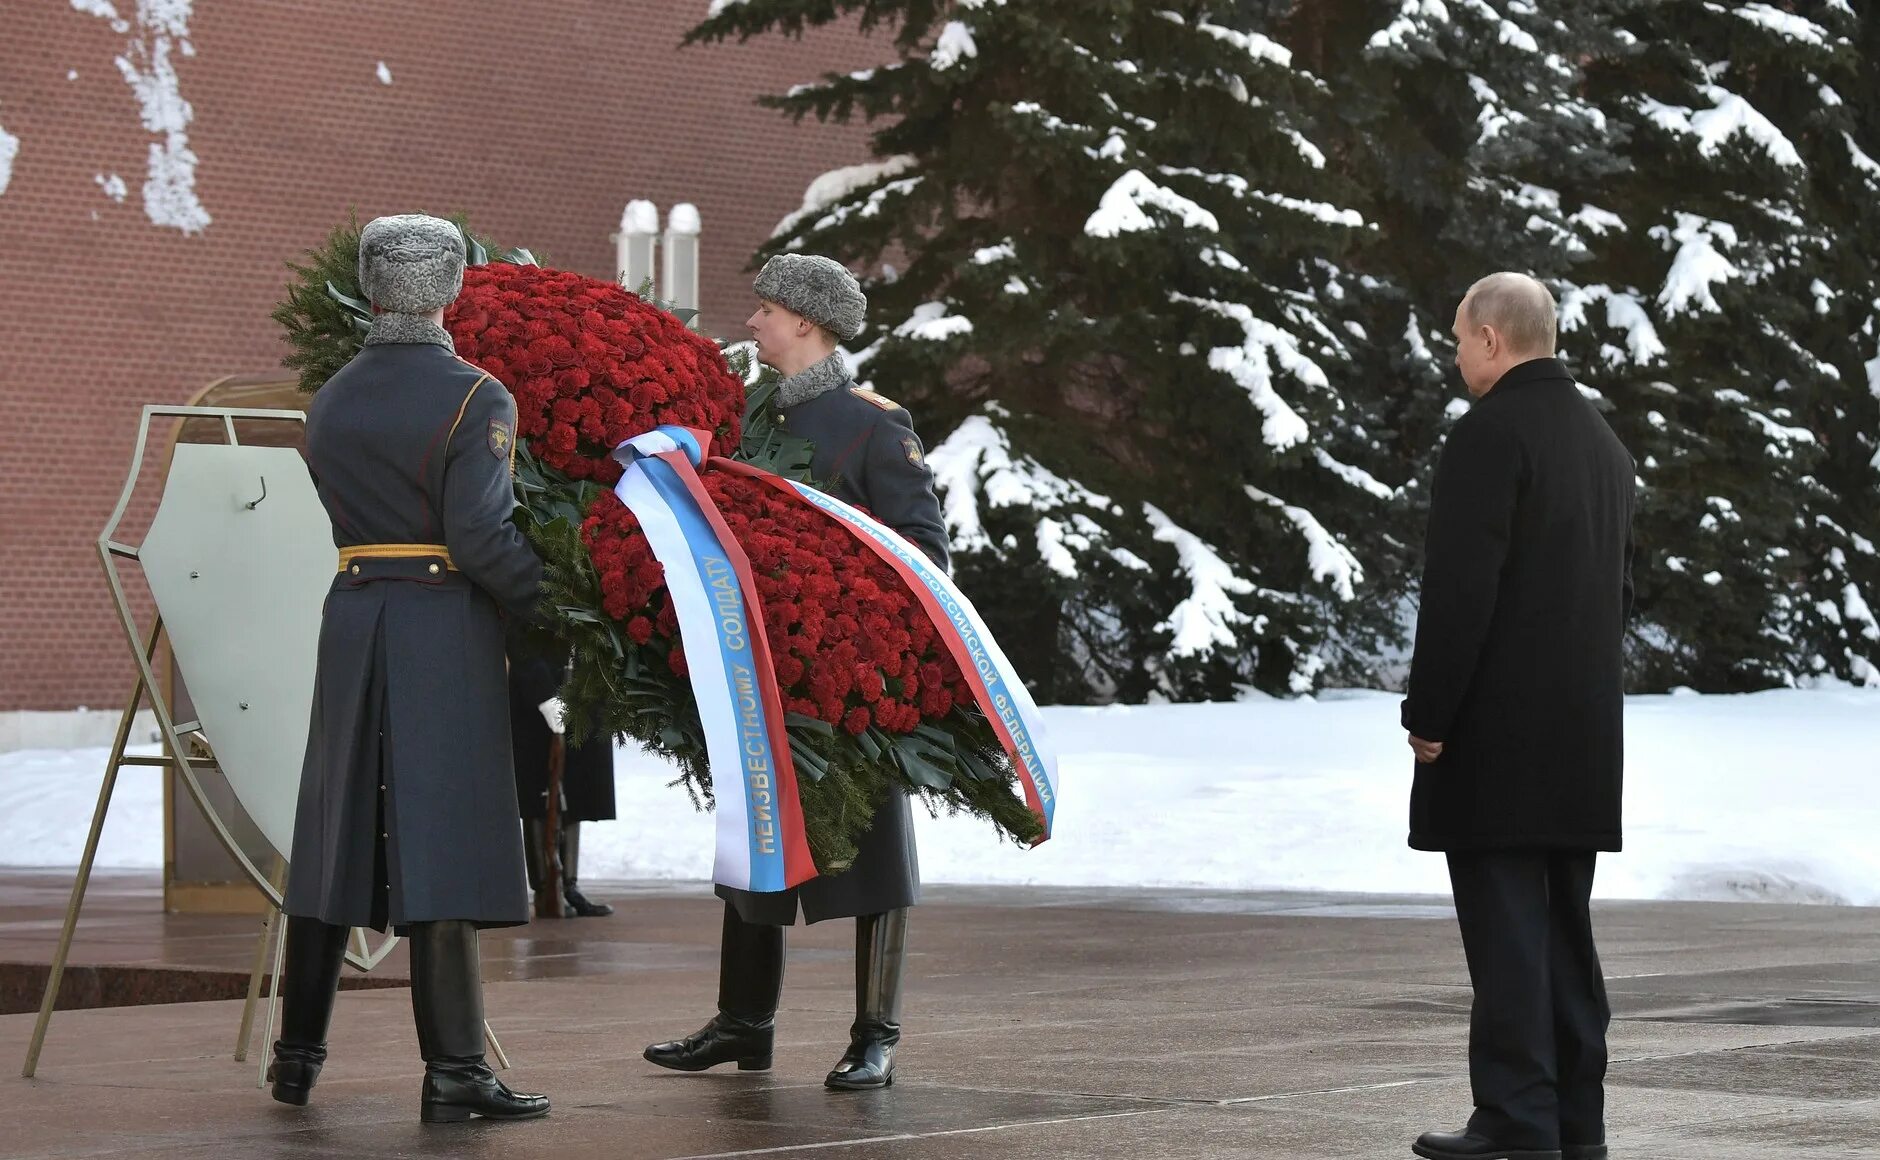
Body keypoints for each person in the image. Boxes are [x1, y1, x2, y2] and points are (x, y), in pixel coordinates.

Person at [643, 253, 948, 1090]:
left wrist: (845, 615)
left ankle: (875, 1035)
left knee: (875, 853)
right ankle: (744, 1024)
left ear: (806, 322)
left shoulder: (874, 425)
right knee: (756, 835)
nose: (752, 323)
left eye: (767, 311)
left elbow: (923, 551)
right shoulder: (746, 417)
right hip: (761, 665)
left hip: (851, 678)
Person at [271, 214, 550, 1124]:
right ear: (454, 289)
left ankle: (295, 1060)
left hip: (354, 616)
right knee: (445, 833)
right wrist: (557, 602)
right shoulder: (477, 397)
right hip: (441, 624)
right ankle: (456, 1070)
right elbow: (481, 537)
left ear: (369, 286)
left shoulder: (332, 396)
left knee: (333, 830)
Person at [1402, 273, 1635, 1160]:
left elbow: (1461, 592)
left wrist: (1430, 712)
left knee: (1506, 936)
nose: (1457, 355)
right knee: (1563, 934)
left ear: (1492, 339)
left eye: (1460, 339)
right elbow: (1616, 596)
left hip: (1497, 737)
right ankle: (1576, 1121)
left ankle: (1516, 1119)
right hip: (1582, 735)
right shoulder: (1603, 443)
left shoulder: (1488, 434)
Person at [507, 628, 616, 918]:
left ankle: (568, 885)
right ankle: (545, 887)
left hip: (583, 687)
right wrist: (543, 695)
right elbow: (518, 637)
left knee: (575, 789)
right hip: (539, 692)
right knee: (540, 793)